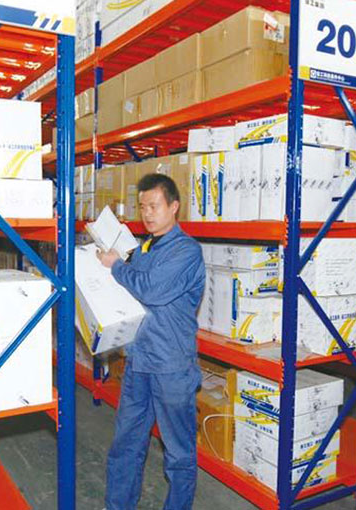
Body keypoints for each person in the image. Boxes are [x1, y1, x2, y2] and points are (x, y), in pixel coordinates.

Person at [97, 173, 206, 510]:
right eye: (142, 206)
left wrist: (116, 266)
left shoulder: (187, 251)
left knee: (178, 453)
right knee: (126, 445)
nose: (147, 213)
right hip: (139, 362)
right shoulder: (144, 249)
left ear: (174, 207)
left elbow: (151, 290)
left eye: (154, 206)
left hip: (171, 366)